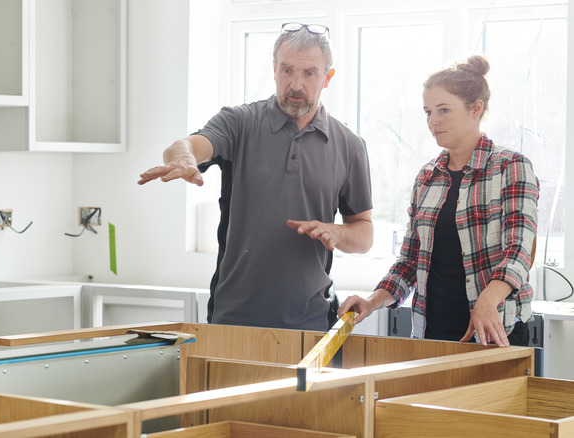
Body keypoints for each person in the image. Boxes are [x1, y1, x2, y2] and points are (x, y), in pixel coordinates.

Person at [138, 23, 373, 331]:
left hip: (312, 322)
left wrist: (336, 233)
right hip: (233, 318)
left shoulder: (349, 145)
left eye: (309, 73)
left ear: (327, 77)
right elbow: (188, 145)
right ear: (274, 69)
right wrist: (183, 156)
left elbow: (364, 234)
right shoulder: (239, 123)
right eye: (287, 70)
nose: (296, 84)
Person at [338, 55, 539, 347]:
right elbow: (408, 263)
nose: (433, 121)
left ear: (475, 109)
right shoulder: (427, 177)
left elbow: (519, 250)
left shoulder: (511, 167)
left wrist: (487, 299)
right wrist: (371, 302)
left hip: (496, 331)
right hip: (432, 332)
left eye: (443, 110)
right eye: (428, 111)